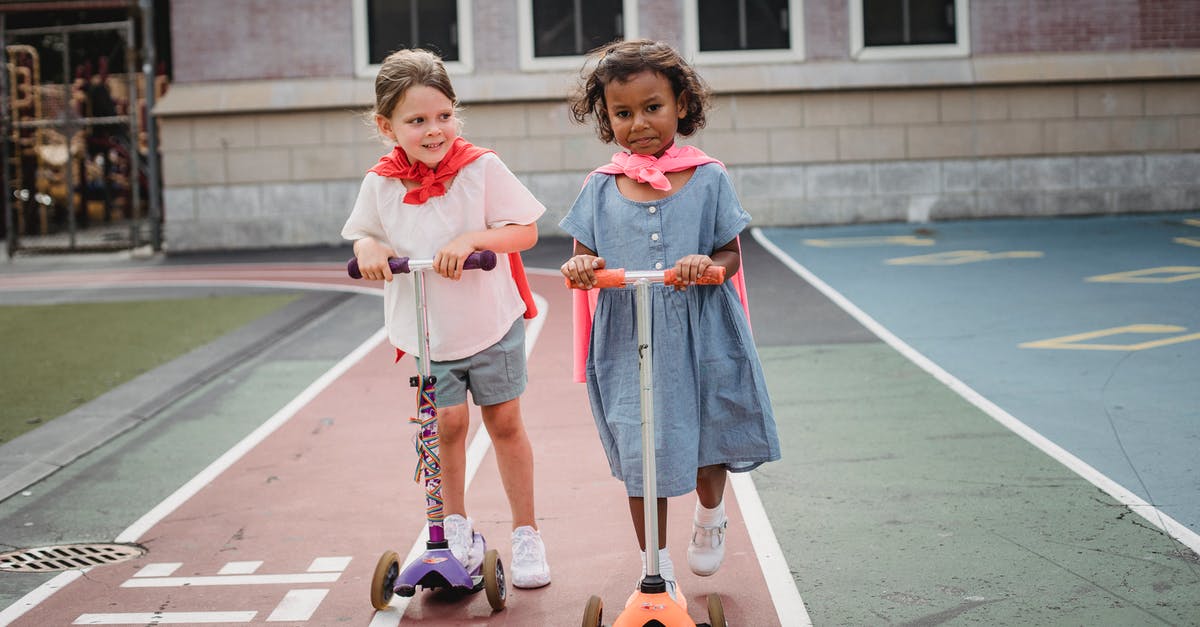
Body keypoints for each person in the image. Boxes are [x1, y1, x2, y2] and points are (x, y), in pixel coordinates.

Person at [559, 39, 781, 600]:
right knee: (642, 455)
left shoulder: (708, 178)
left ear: (681, 104)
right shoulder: (600, 187)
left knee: (707, 442)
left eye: (652, 107)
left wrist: (707, 264)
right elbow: (583, 256)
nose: (639, 123)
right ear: (606, 119)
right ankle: (655, 566)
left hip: (700, 330)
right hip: (628, 338)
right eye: (623, 113)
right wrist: (584, 265)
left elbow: (731, 254)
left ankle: (710, 513)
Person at [342, 48, 550, 589]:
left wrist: (474, 238)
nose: (435, 131)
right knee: (445, 428)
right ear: (387, 126)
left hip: (489, 323)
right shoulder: (381, 182)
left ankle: (527, 532)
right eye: (417, 121)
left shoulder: (481, 167)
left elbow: (524, 230)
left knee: (504, 424)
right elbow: (367, 232)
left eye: (444, 116)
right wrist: (367, 247)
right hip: (427, 333)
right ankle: (453, 527)